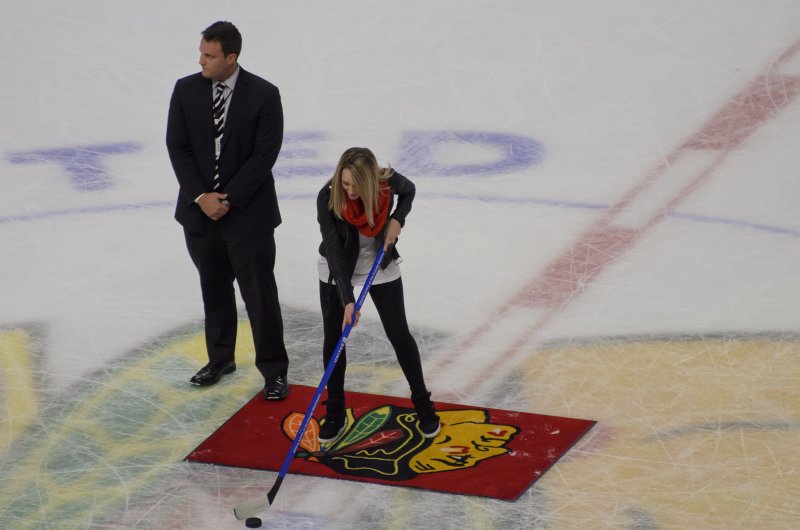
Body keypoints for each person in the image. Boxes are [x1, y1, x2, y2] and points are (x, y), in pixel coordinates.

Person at [166, 21, 289, 400]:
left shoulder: (264, 95)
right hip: (199, 214)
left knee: (259, 296)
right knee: (214, 290)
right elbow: (178, 147)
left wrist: (228, 198)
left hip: (248, 215)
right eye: (201, 53)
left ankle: (274, 371)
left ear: (231, 57)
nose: (201, 61)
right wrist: (201, 196)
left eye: (209, 55)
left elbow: (264, 154)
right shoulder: (185, 90)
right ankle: (220, 359)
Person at [316, 147, 440, 442]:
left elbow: (409, 191)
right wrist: (347, 299)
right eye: (346, 183)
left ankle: (423, 403)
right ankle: (335, 410)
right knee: (334, 337)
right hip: (338, 267)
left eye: (357, 185)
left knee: (399, 333)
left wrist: (397, 219)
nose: (350, 191)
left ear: (371, 180)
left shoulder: (388, 183)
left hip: (378, 261)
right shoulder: (328, 197)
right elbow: (334, 251)